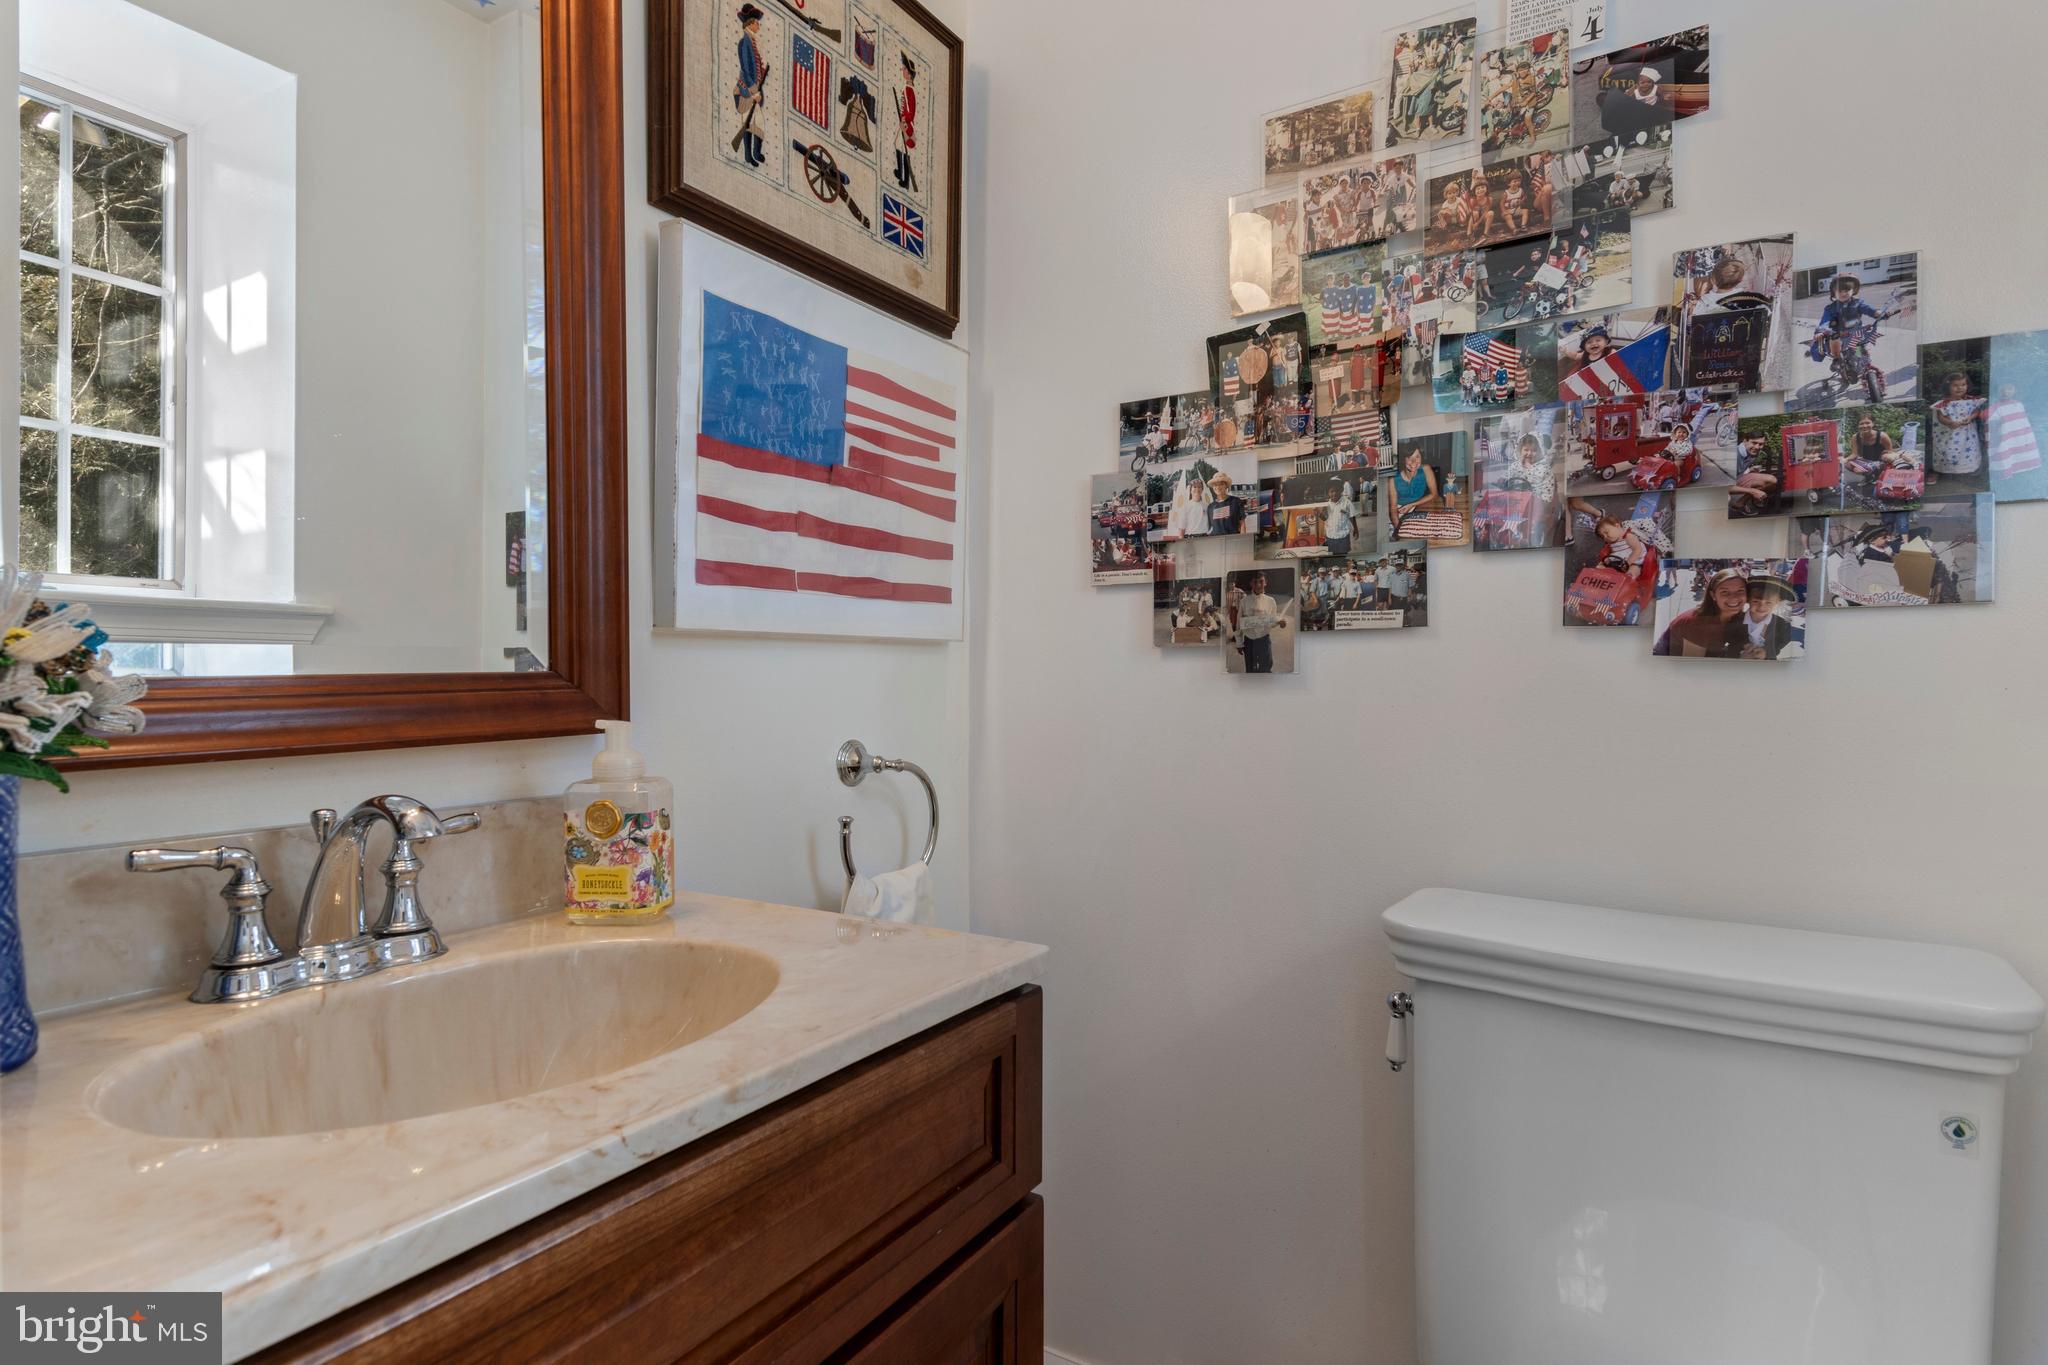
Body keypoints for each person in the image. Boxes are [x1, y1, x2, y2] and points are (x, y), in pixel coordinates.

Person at [1653, 565, 1748, 656]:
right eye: (1725, 592)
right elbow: (1693, 668)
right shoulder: (1698, 624)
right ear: (1713, 595)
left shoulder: (1740, 618)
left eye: (1740, 591)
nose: (1734, 598)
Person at [1808, 273, 1880, 366]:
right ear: (1834, 292)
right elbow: (1825, 320)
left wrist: (1877, 313)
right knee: (1834, 340)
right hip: (1840, 336)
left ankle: (1865, 368)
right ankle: (1837, 360)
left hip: (1856, 335)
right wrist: (1821, 331)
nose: (1843, 293)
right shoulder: (1831, 308)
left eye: (1847, 290)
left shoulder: (1858, 304)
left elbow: (1868, 309)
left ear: (1853, 290)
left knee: (1861, 355)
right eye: (1839, 291)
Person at [732, 4, 770, 167]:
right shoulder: (744, 42)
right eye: (756, 22)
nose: (758, 25)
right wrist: (753, 90)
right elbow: (746, 69)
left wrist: (761, 72)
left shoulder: (751, 41)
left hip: (755, 88)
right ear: (750, 23)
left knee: (758, 122)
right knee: (748, 123)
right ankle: (748, 154)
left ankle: (756, 152)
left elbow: (754, 67)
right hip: (747, 89)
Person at [1930, 370, 1987, 477]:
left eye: (1963, 385)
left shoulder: (1971, 400)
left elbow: (1976, 411)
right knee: (1948, 450)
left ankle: (1967, 469)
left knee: (1968, 451)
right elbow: (1940, 416)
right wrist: (1949, 422)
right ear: (1948, 387)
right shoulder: (1945, 403)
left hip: (1967, 435)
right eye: (1955, 385)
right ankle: (1944, 470)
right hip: (1950, 433)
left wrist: (1970, 417)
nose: (1960, 388)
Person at [1228, 571, 1285, 673]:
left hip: (1264, 640)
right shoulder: (1244, 601)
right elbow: (1238, 624)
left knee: (1266, 668)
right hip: (1249, 641)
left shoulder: (1270, 601)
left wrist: (1279, 622)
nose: (1258, 585)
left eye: (1261, 581)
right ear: (1251, 583)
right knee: (1250, 669)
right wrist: (1239, 643)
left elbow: (1271, 621)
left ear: (1266, 582)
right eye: (1255, 582)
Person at [1733, 572, 1797, 660]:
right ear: (1748, 600)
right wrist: (1743, 646)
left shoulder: (1783, 624)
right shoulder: (1736, 619)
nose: (1761, 606)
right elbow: (1730, 637)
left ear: (1777, 603)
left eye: (1768, 602)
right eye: (1756, 601)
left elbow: (1782, 641)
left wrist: (1766, 652)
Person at [1989, 381, 2043, 481]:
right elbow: (1992, 427)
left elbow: (2024, 422)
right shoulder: (1994, 407)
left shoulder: (2019, 404)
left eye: (2009, 388)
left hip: (2021, 438)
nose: (2005, 392)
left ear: (2015, 390)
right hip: (2006, 438)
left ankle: (2022, 473)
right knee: (2008, 456)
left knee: (2021, 456)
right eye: (2002, 389)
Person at [1389, 446, 1442, 534]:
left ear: (1421, 457)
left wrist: (1411, 505)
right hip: (1399, 510)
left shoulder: (1426, 469)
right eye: (1409, 458)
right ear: (1403, 459)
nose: (1413, 462)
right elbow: (1393, 509)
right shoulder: (1393, 479)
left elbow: (1434, 494)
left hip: (1417, 506)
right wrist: (1400, 530)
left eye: (1417, 457)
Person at [892, 54, 918, 190]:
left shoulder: (909, 89)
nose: (902, 71)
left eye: (904, 69)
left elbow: (911, 110)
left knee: (904, 148)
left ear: (909, 73)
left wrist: (905, 121)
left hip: (907, 123)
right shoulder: (906, 88)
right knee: (898, 144)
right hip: (904, 121)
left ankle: (905, 178)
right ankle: (900, 172)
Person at [1205, 469, 1247, 534]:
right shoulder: (1210, 507)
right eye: (1215, 485)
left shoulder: (1236, 502)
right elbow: (1210, 528)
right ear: (1213, 487)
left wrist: (1242, 540)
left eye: (1221, 484)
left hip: (1233, 540)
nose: (1218, 487)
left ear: (1226, 486)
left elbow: (1242, 524)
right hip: (1216, 541)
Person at [1322, 483, 1355, 557]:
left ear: (1341, 491)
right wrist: (1318, 513)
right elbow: (1324, 518)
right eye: (1332, 491)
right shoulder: (1326, 504)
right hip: (1331, 536)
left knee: (1343, 555)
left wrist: (1355, 529)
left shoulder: (1347, 502)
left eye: (1337, 491)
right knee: (1333, 556)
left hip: (1343, 536)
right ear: (1328, 493)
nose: (1334, 493)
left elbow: (1352, 516)